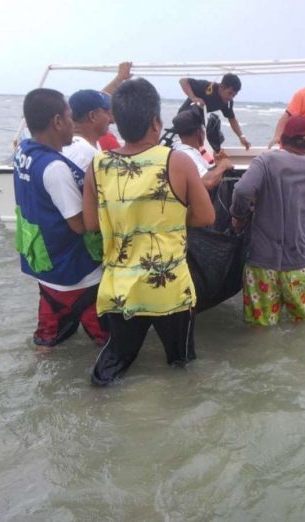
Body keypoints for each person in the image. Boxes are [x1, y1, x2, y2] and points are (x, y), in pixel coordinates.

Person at [82, 77, 215, 386]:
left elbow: (90, 224)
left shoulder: (97, 165)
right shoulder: (177, 161)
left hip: (120, 286)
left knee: (115, 363)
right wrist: (167, 221)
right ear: (156, 122)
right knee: (181, 362)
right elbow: (206, 216)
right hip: (168, 286)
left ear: (116, 121)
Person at [13, 88, 108, 348]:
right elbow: (79, 225)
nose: (73, 125)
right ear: (56, 122)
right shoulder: (56, 168)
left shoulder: (23, 151)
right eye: (69, 118)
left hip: (44, 266)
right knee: (109, 342)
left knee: (46, 342)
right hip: (76, 274)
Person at [231, 116, 305, 326]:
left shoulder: (266, 161)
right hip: (300, 264)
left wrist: (238, 218)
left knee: (261, 328)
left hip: (262, 265)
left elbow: (242, 190)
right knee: (303, 328)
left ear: (282, 141)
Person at [63, 62, 132, 166]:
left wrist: (120, 78)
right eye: (106, 112)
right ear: (92, 116)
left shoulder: (69, 144)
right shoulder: (87, 155)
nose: (111, 120)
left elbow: (95, 101)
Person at [178, 73, 251, 150]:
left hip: (199, 119)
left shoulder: (227, 102)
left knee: (218, 137)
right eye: (229, 93)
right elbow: (183, 81)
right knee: (196, 140)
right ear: (222, 87)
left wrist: (241, 137)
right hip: (184, 117)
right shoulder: (208, 87)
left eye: (233, 95)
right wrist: (194, 98)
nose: (231, 97)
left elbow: (232, 119)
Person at [170, 108, 234, 191]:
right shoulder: (187, 155)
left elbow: (203, 174)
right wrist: (223, 164)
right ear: (199, 133)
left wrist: (217, 165)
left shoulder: (179, 148)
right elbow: (208, 182)